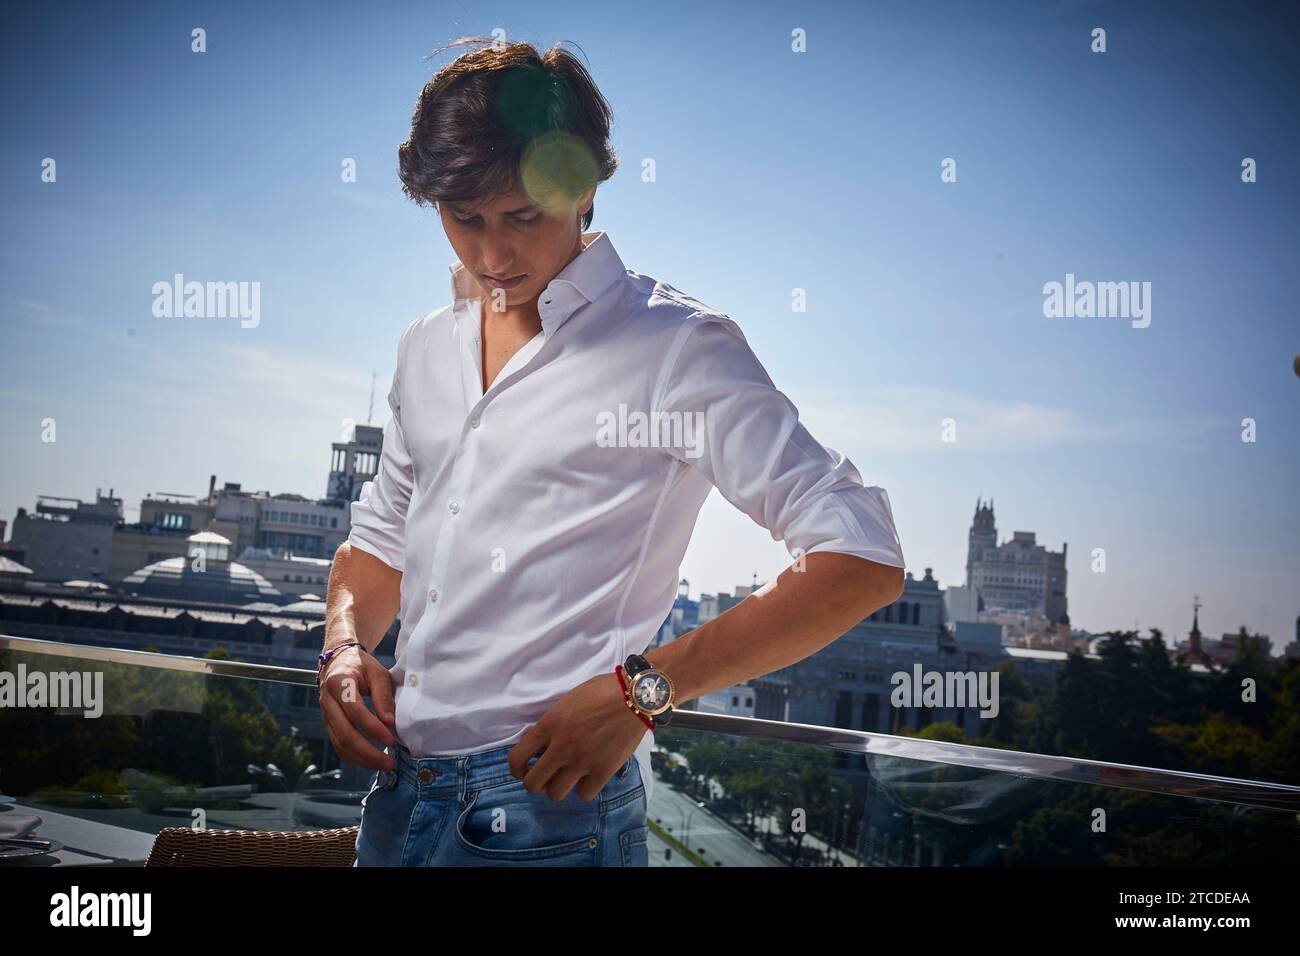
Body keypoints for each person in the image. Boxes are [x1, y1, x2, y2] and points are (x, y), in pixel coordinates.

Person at [321, 37, 906, 867]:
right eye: (464, 219)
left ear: (585, 185)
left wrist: (643, 694)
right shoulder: (424, 346)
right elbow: (380, 542)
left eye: (521, 217)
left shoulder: (676, 347)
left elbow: (862, 555)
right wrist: (344, 646)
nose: (492, 255)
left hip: (547, 809)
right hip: (396, 796)